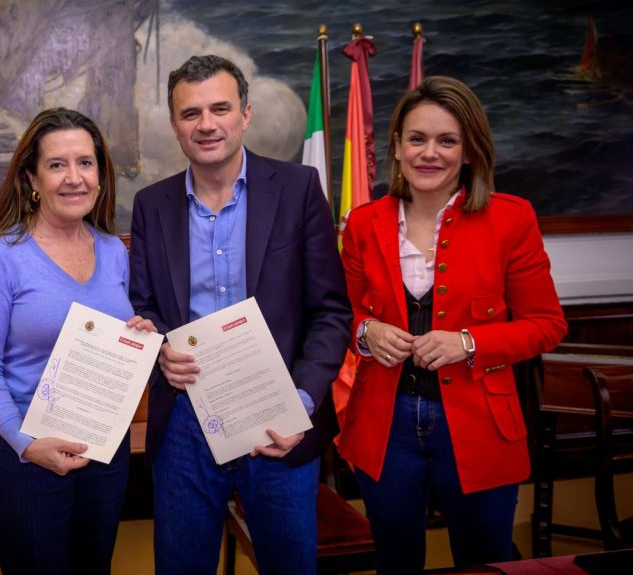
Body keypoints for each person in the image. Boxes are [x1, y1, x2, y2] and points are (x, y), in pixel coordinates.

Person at [129, 54, 351, 574]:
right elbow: (144, 306)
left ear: (245, 114)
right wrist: (160, 347)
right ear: (174, 125)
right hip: (184, 419)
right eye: (191, 113)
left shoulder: (298, 189)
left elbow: (330, 312)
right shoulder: (151, 205)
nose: (206, 124)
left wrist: (300, 403)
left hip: (280, 415)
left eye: (220, 108)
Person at [338, 76, 567, 572]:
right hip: (384, 426)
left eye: (447, 141)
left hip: (481, 423)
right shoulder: (363, 223)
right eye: (417, 139)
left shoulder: (512, 219)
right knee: (395, 561)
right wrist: (366, 332)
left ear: (469, 151)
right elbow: (341, 315)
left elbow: (547, 324)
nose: (429, 153)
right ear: (397, 146)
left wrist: (468, 342)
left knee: (484, 561)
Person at [0, 108, 156, 574]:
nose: (75, 178)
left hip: (103, 454)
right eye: (57, 165)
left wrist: (140, 337)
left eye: (85, 163)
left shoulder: (114, 251)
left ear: (100, 175)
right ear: (32, 178)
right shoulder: (1, 257)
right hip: (27, 457)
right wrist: (25, 443)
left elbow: (118, 343)